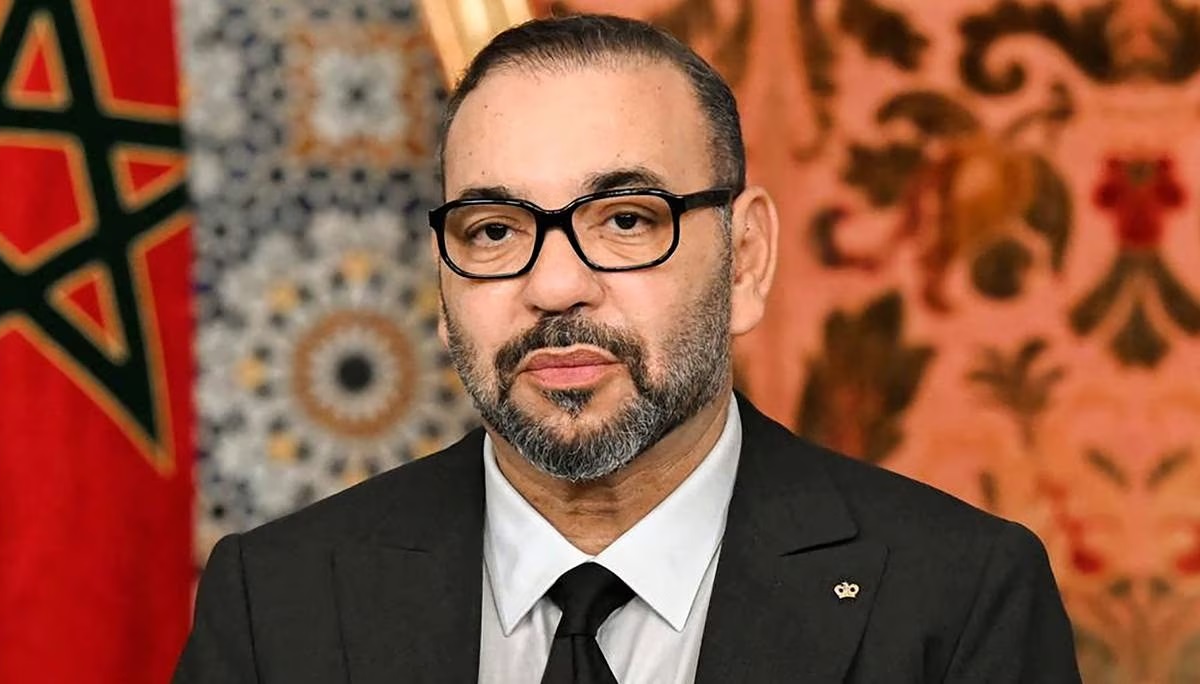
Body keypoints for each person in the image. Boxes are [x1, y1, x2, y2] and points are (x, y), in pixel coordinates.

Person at [174, 14, 1082, 684]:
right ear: (443, 286)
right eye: (493, 231)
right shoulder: (276, 602)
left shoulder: (958, 597)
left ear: (745, 260)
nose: (554, 285)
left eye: (625, 220)